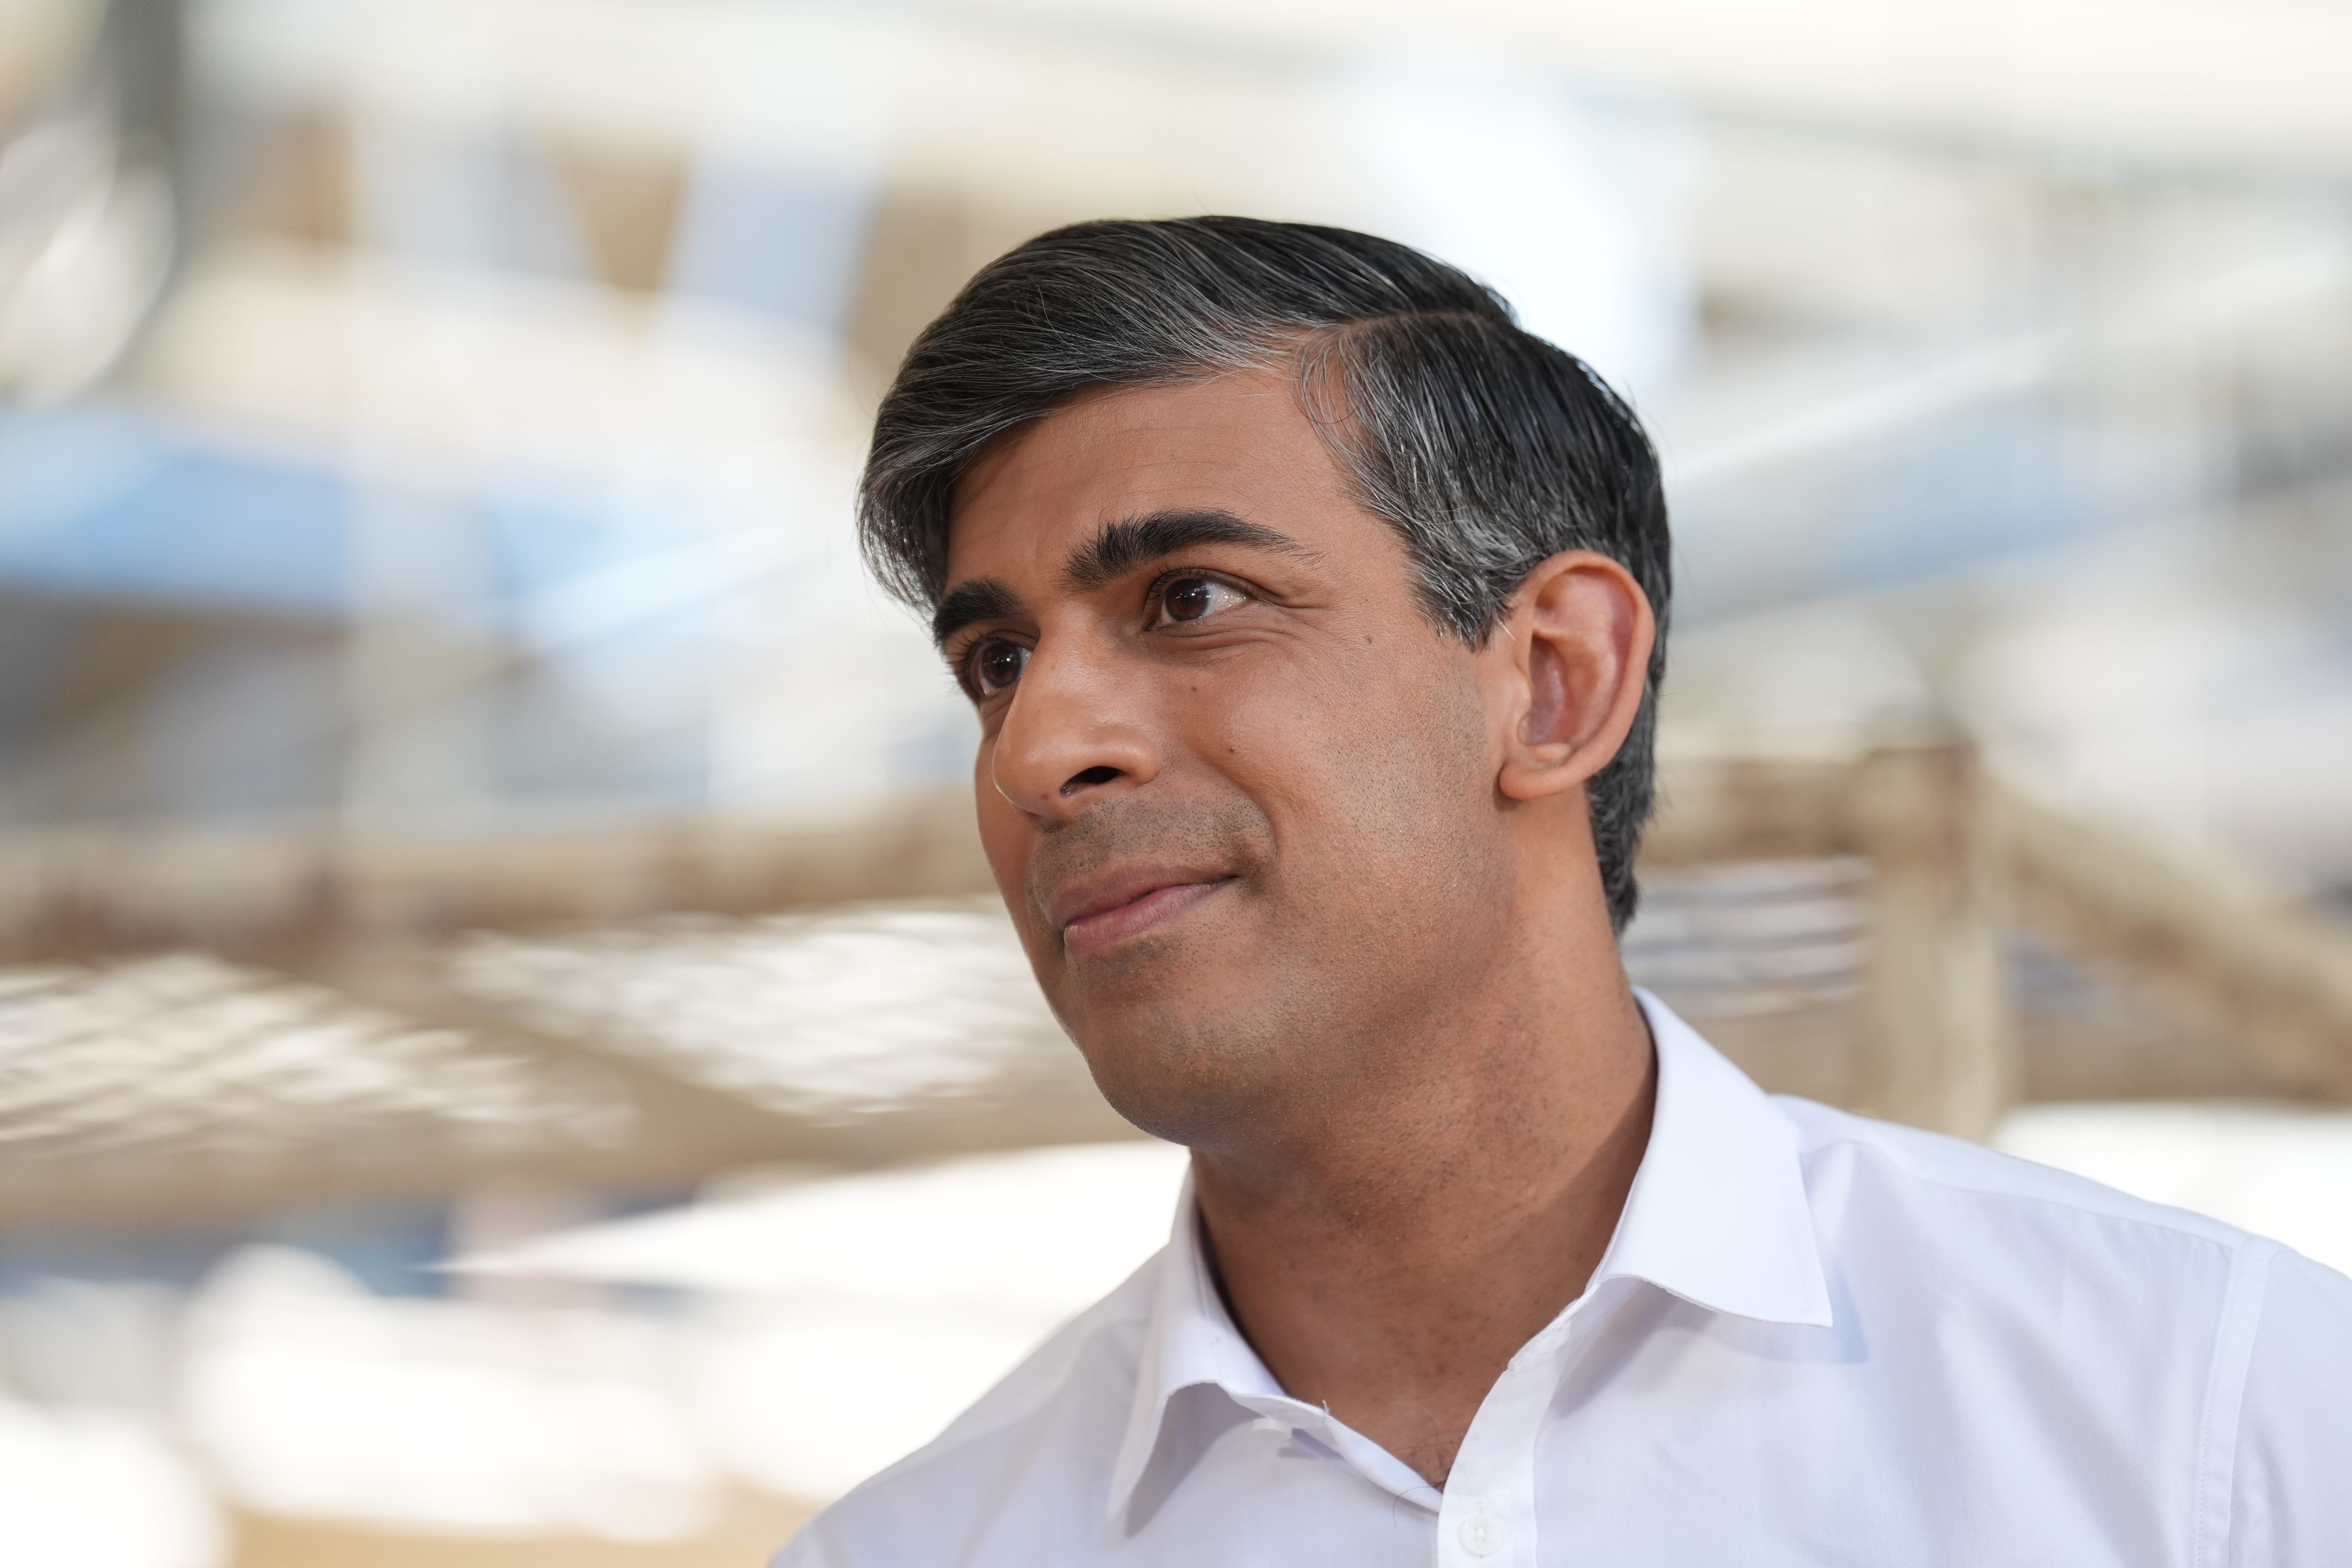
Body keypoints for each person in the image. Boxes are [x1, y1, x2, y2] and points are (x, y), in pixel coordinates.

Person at [776, 217, 2352, 1566]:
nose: (1041, 747)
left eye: (1191, 599)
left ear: (1551, 682)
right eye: (996, 663)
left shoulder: (2207, 1419)